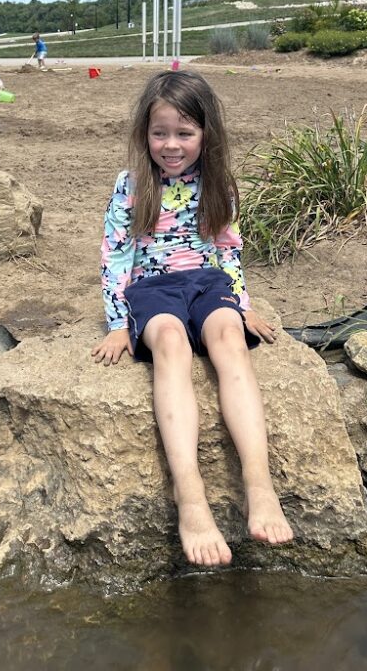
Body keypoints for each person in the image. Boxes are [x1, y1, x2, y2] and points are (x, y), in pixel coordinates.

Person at [94, 69, 293, 567]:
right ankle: (191, 497)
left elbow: (228, 249)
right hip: (153, 289)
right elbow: (115, 256)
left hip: (205, 282)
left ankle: (259, 485)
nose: (171, 145)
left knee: (227, 339)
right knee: (170, 345)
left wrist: (242, 308)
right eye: (159, 133)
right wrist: (119, 321)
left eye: (184, 134)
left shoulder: (217, 184)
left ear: (207, 135)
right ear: (144, 133)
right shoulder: (132, 184)